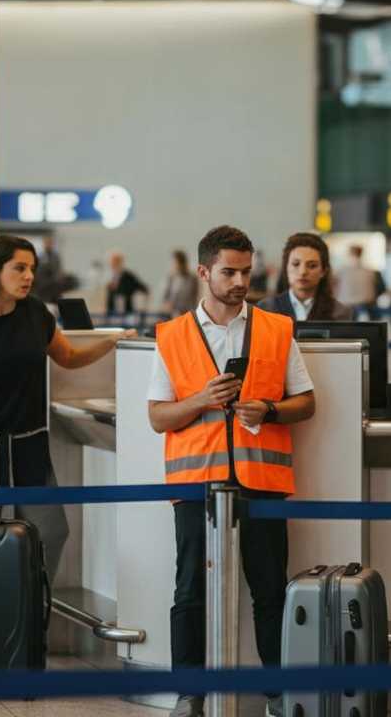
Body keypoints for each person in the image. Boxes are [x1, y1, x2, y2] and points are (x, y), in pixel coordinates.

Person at [147, 225, 316, 717]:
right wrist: (202, 400)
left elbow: (306, 402)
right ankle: (189, 694)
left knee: (269, 589)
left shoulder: (276, 328)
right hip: (196, 481)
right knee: (190, 591)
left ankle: (276, 693)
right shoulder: (173, 335)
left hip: (260, 479)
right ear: (204, 272)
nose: (240, 280)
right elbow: (158, 416)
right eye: (229, 272)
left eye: (246, 271)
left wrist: (270, 409)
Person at [0, 236, 134, 579]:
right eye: (19, 268)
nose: (29, 276)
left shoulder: (35, 313)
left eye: (32, 269)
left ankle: (31, 604)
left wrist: (111, 341)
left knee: (51, 531)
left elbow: (68, 356)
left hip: (28, 442)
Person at [258, 233, 353, 322]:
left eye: (312, 266)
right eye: (296, 264)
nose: (303, 272)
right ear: (286, 267)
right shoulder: (266, 309)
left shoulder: (339, 312)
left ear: (323, 271)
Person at [334, 245, 383, 313]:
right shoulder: (370, 271)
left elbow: (335, 288)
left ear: (349, 254)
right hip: (366, 304)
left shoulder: (341, 271)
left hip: (347, 304)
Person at [106, 250, 148, 315]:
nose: (113, 264)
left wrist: (141, 304)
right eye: (112, 261)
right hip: (112, 313)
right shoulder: (109, 277)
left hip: (127, 312)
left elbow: (144, 289)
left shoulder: (129, 276)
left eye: (116, 261)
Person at [159, 249, 199, 317]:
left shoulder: (192, 278)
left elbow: (194, 297)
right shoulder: (170, 278)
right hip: (172, 313)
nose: (173, 264)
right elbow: (165, 297)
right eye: (172, 262)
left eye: (175, 262)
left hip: (187, 312)